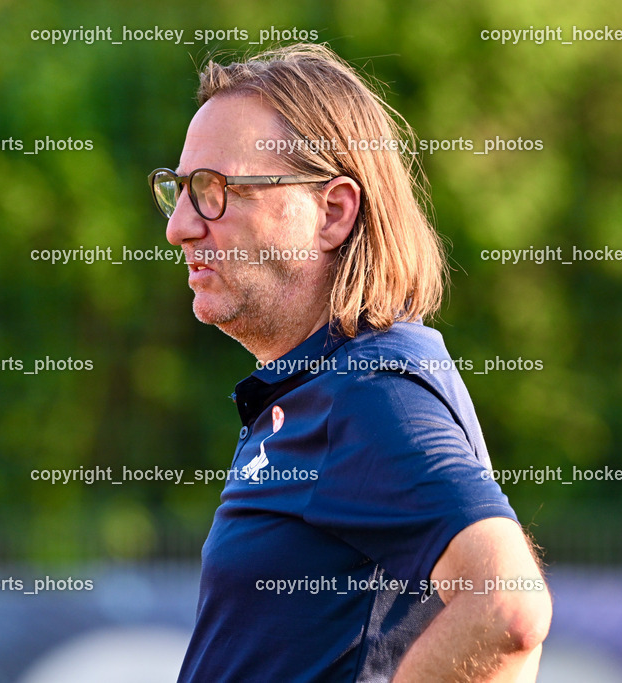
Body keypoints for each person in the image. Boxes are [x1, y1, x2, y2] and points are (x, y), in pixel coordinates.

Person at [150, 43, 552, 682]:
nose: (179, 227)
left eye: (216, 191)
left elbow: (506, 609)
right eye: (178, 190)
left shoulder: (370, 386)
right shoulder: (320, 386)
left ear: (333, 212)